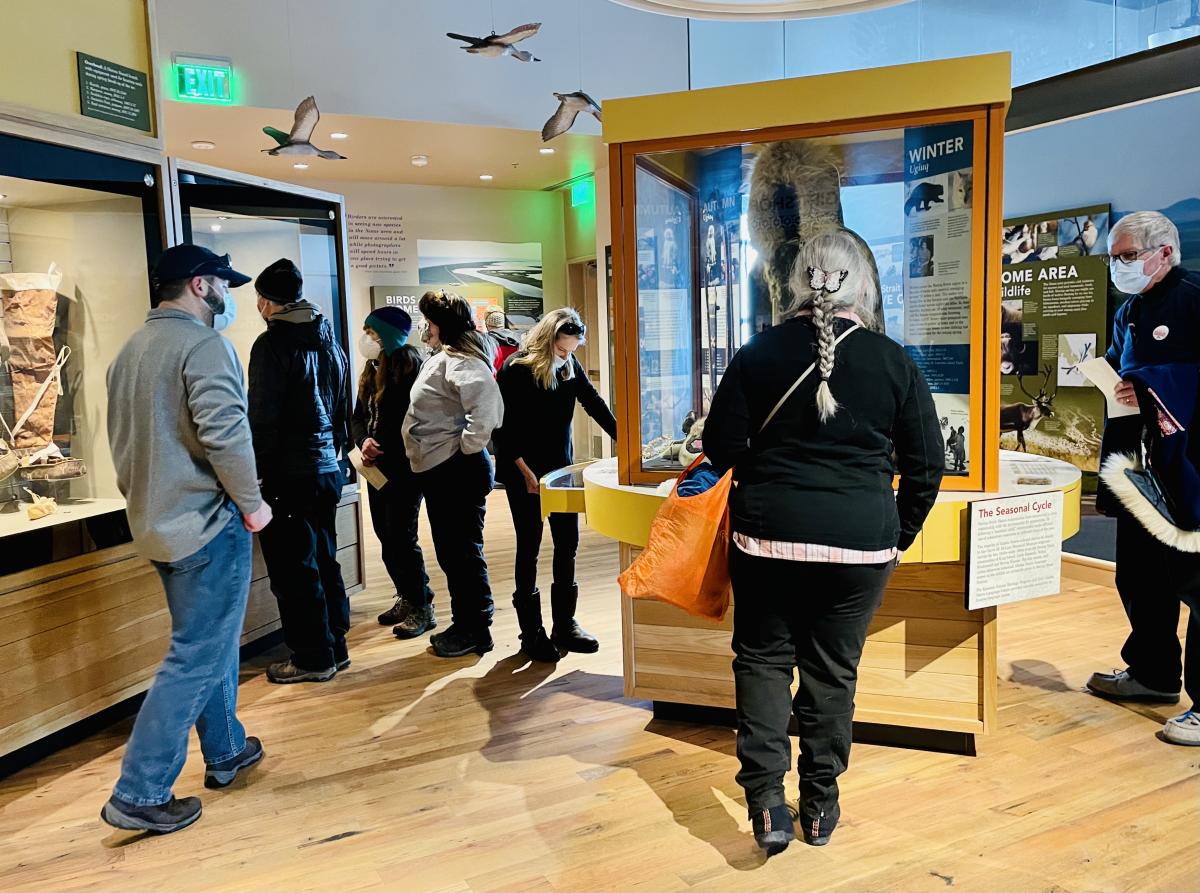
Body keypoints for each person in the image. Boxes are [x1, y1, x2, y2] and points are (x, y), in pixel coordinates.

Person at [705, 229, 944, 852]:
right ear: (862, 286)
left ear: (795, 284)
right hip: (860, 546)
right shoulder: (896, 361)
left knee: (761, 663)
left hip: (767, 540)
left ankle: (766, 806)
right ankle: (819, 806)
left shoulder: (756, 354)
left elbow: (721, 447)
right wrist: (895, 534)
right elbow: (926, 467)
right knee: (833, 673)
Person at [101, 245, 272, 834]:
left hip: (157, 525)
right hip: (206, 525)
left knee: (210, 642)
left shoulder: (131, 350)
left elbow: (123, 442)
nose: (229, 294)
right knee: (195, 656)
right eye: (223, 283)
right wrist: (252, 506)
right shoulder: (205, 347)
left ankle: (224, 750)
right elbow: (227, 436)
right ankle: (140, 790)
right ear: (200, 286)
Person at [1090, 211, 1200, 746]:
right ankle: (1153, 675)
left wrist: (1152, 385)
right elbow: (1120, 366)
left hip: (1188, 469)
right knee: (1139, 575)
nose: (1120, 265)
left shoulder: (1195, 297)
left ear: (1164, 253)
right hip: (1138, 464)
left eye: (1128, 255)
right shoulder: (1130, 310)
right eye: (1114, 256)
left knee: (1198, 585)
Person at [493, 308, 618, 662]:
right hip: (524, 472)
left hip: (560, 471)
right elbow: (503, 428)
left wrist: (627, 441)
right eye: (563, 350)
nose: (569, 355)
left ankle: (565, 623)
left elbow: (593, 404)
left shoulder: (569, 365)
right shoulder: (516, 369)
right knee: (528, 546)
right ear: (548, 341)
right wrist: (524, 471)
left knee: (568, 544)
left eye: (573, 349)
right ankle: (530, 632)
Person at [247, 259, 351, 684]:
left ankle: (312, 657)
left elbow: (263, 417)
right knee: (325, 558)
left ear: (267, 301)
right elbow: (344, 407)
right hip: (327, 467)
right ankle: (335, 645)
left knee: (294, 568)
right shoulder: (329, 340)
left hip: (289, 472)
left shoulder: (272, 345)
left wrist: (254, 470)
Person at [402, 290, 503, 658]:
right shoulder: (448, 357)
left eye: (429, 323)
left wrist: (463, 448)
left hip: (455, 470)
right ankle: (469, 621)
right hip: (444, 468)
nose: (425, 329)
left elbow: (486, 411)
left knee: (460, 552)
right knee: (454, 551)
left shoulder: (465, 362)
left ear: (441, 326)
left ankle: (475, 628)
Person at [351, 306, 438, 638]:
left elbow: (412, 421)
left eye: (372, 332)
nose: (367, 339)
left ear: (386, 334)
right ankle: (406, 594)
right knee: (386, 536)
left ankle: (422, 605)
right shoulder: (371, 368)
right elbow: (358, 415)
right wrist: (364, 442)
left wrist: (379, 443)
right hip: (376, 468)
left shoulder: (411, 367)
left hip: (404, 470)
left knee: (402, 538)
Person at [484, 307, 521, 374]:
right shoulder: (519, 338)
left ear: (487, 323)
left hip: (495, 379)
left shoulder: (485, 340)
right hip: (515, 376)